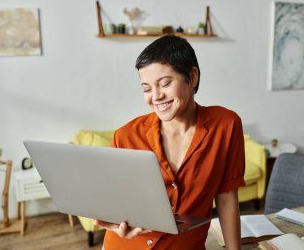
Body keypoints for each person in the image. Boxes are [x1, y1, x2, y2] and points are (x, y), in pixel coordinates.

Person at [95, 35, 245, 250]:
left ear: (192, 77)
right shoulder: (125, 136)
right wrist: (114, 223)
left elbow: (227, 197)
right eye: (146, 89)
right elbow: (113, 202)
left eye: (165, 84)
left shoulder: (226, 125)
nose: (155, 96)